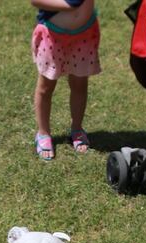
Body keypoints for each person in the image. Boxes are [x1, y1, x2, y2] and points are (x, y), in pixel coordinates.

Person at [31, 0, 101, 160]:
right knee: (46, 87)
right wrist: (71, 5)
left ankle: (77, 128)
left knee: (80, 84)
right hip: (53, 35)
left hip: (84, 34)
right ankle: (43, 133)